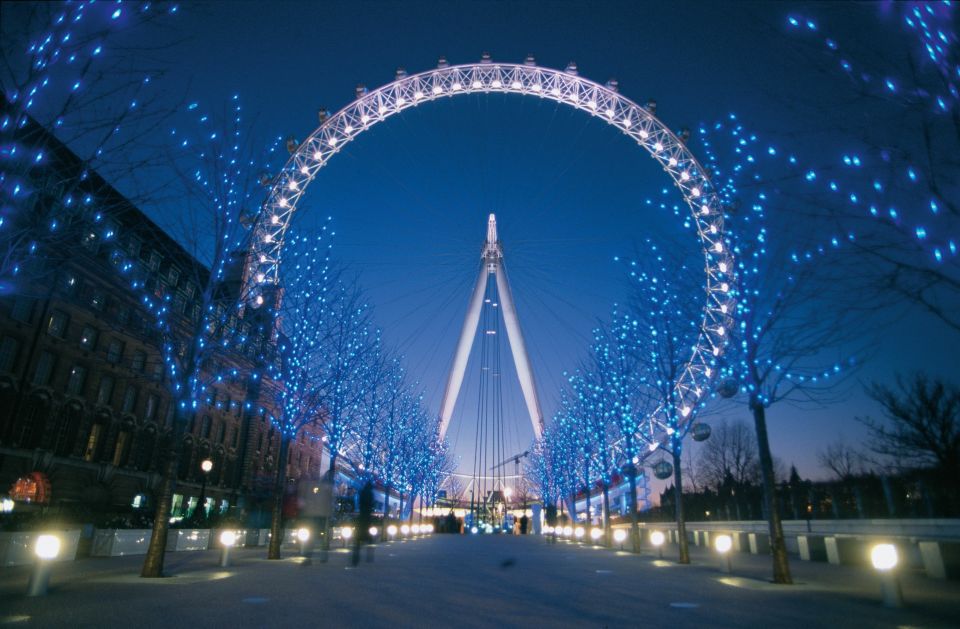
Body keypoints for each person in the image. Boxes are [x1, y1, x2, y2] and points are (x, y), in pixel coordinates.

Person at [353, 480, 375, 566]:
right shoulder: (370, 494)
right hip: (367, 518)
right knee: (369, 539)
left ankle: (355, 558)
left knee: (358, 540)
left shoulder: (362, 492)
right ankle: (369, 557)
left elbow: (360, 503)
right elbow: (371, 504)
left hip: (361, 517)